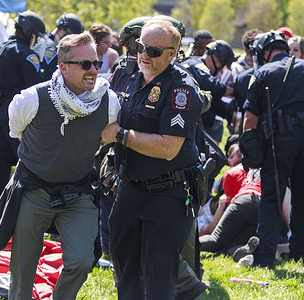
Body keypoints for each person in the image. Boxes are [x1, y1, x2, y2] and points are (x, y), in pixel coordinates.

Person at [0, 32, 120, 300]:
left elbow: (105, 137)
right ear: (63, 67)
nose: (93, 70)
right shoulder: (31, 99)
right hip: (34, 188)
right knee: (23, 266)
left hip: (79, 190)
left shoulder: (109, 101)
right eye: (85, 64)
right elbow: (18, 132)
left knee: (83, 260)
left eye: (95, 63)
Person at [107, 20, 203, 299]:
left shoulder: (181, 89)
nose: (144, 55)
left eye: (153, 51)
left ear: (173, 53)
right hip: (129, 186)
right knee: (122, 260)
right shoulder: (126, 75)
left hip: (168, 192)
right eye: (140, 47)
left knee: (158, 273)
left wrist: (120, 135)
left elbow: (168, 147)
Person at [242, 30, 304, 268]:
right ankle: (300, 255)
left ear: (265, 52)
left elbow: (250, 118)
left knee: (273, 199)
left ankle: (264, 259)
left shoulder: (263, 72)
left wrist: (249, 150)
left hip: (278, 143)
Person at [0, 11, 46, 226]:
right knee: (25, 165)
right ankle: (18, 218)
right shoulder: (26, 54)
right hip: (15, 114)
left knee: (0, 164)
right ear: (29, 32)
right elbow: (34, 87)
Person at [181, 40, 236, 143]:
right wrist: (233, 90)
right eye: (222, 63)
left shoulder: (195, 64)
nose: (220, 70)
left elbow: (213, 100)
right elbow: (212, 85)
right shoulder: (195, 65)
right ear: (216, 58)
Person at [41, 12, 85, 79]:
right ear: (60, 29)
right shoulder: (49, 48)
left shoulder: (54, 45)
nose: (70, 40)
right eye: (69, 35)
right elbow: (50, 76)